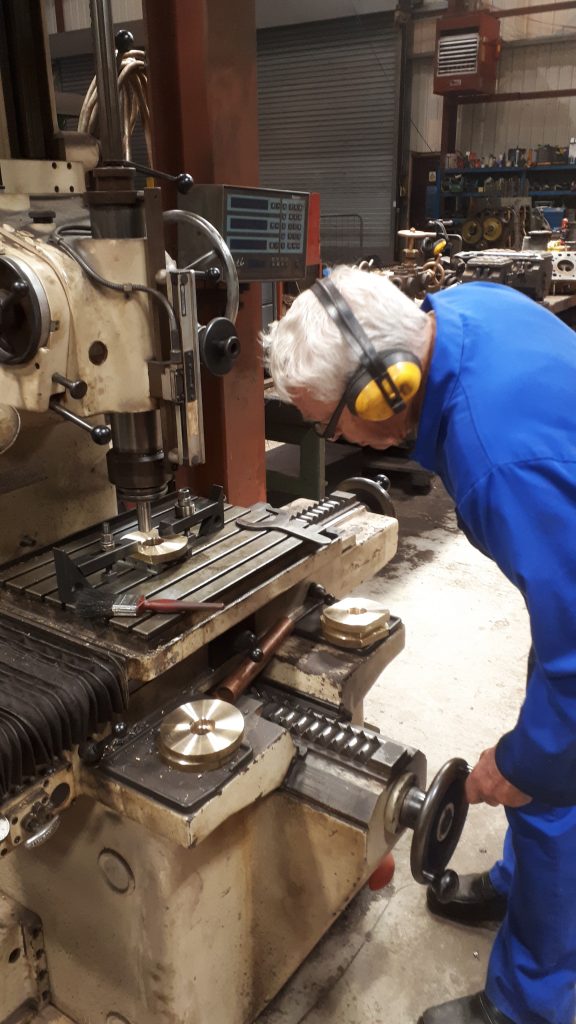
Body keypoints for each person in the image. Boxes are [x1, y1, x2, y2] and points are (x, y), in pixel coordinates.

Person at [261, 264, 576, 1024]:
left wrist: (529, 762)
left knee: (555, 781)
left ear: (385, 391)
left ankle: (529, 1007)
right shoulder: (465, 309)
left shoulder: (500, 462)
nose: (332, 439)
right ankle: (522, 880)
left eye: (331, 424)